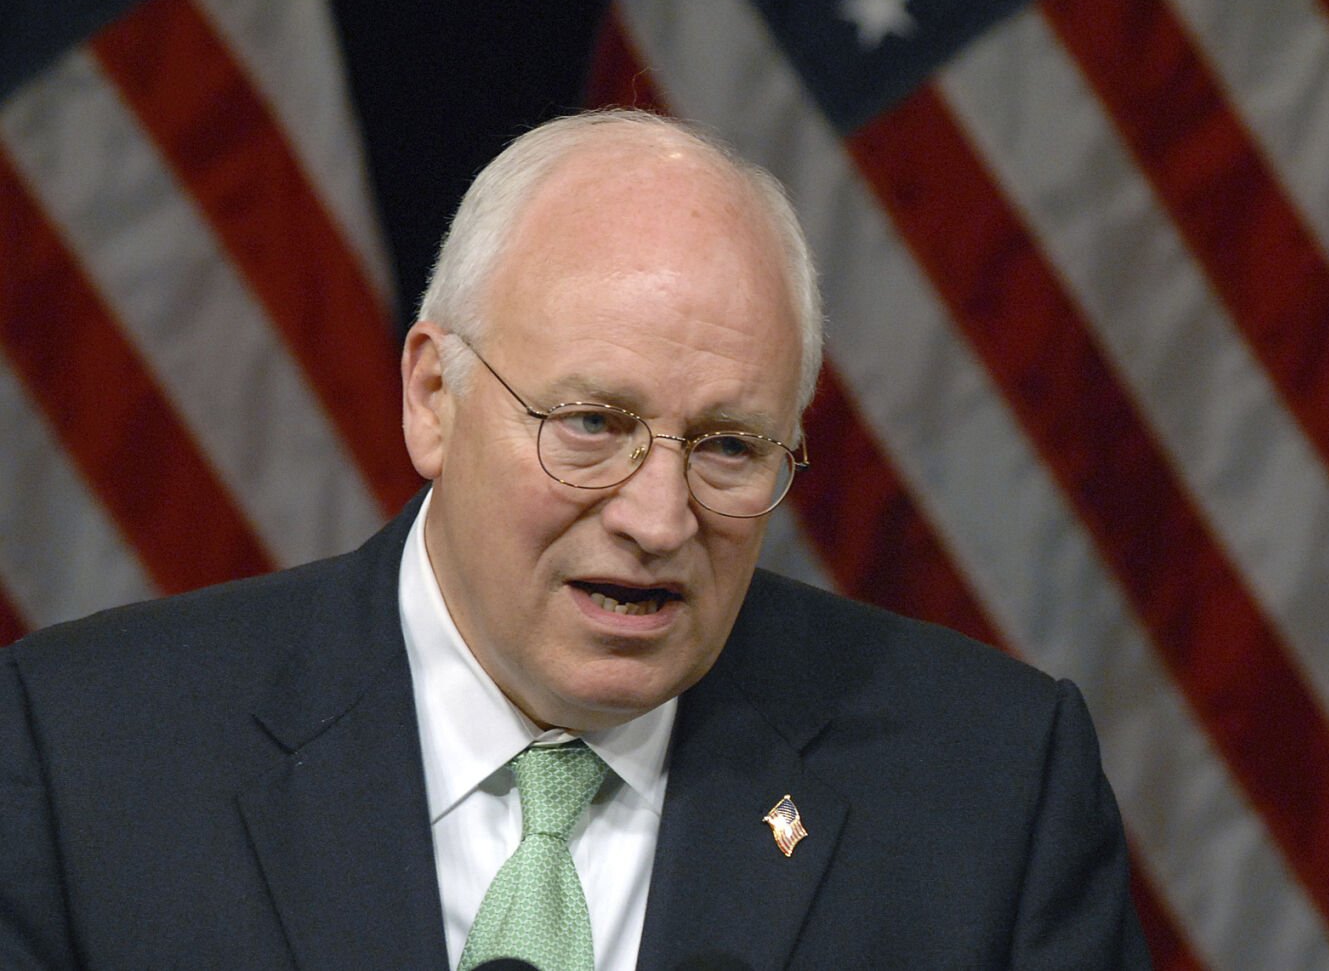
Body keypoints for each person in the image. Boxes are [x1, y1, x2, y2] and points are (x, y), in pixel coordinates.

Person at [0, 110, 1148, 970]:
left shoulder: (988, 792)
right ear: (433, 397)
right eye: (592, 424)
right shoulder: (88, 760)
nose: (658, 519)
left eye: (730, 446)